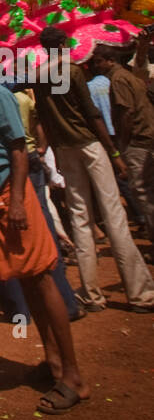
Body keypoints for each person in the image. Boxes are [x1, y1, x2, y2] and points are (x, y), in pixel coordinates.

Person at [0, 44, 88, 413]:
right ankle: (53, 363)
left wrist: (15, 203)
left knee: (42, 277)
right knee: (26, 280)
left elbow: (18, 152)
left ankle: (73, 376)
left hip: (13, 196)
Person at [35, 26, 154, 312]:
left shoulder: (38, 77)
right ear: (63, 44)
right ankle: (140, 294)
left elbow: (45, 119)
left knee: (80, 219)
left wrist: (54, 153)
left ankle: (91, 293)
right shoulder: (73, 71)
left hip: (65, 149)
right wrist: (115, 153)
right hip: (89, 145)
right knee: (114, 216)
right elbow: (92, 113)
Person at [91, 42, 154, 248]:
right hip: (145, 136)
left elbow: (126, 112)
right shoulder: (128, 76)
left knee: (142, 191)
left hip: (136, 139)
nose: (97, 65)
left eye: (99, 61)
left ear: (111, 60)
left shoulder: (118, 80)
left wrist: (122, 143)